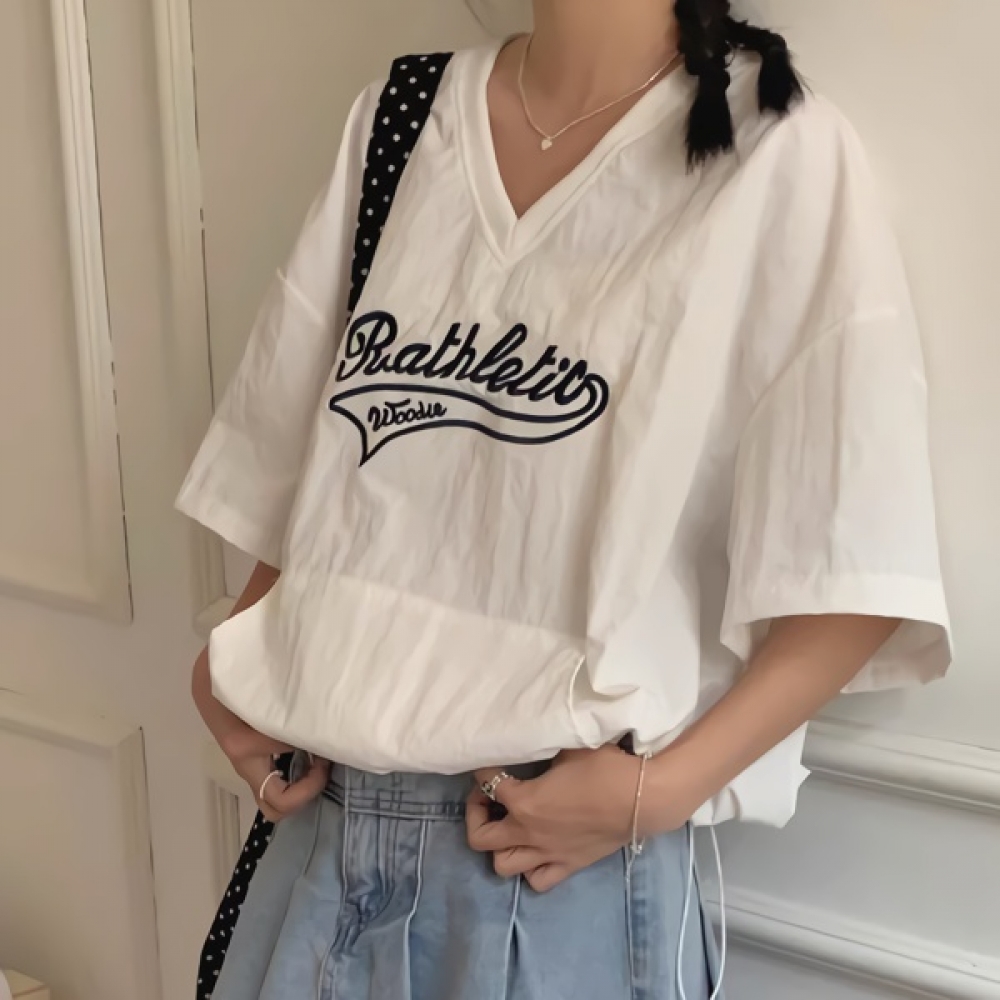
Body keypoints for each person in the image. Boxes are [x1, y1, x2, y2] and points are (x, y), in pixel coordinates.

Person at [177, 1, 952, 997]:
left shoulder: (773, 148)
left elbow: (855, 559)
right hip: (319, 837)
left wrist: (657, 794)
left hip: (551, 869)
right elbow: (314, 459)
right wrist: (234, 656)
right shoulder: (402, 117)